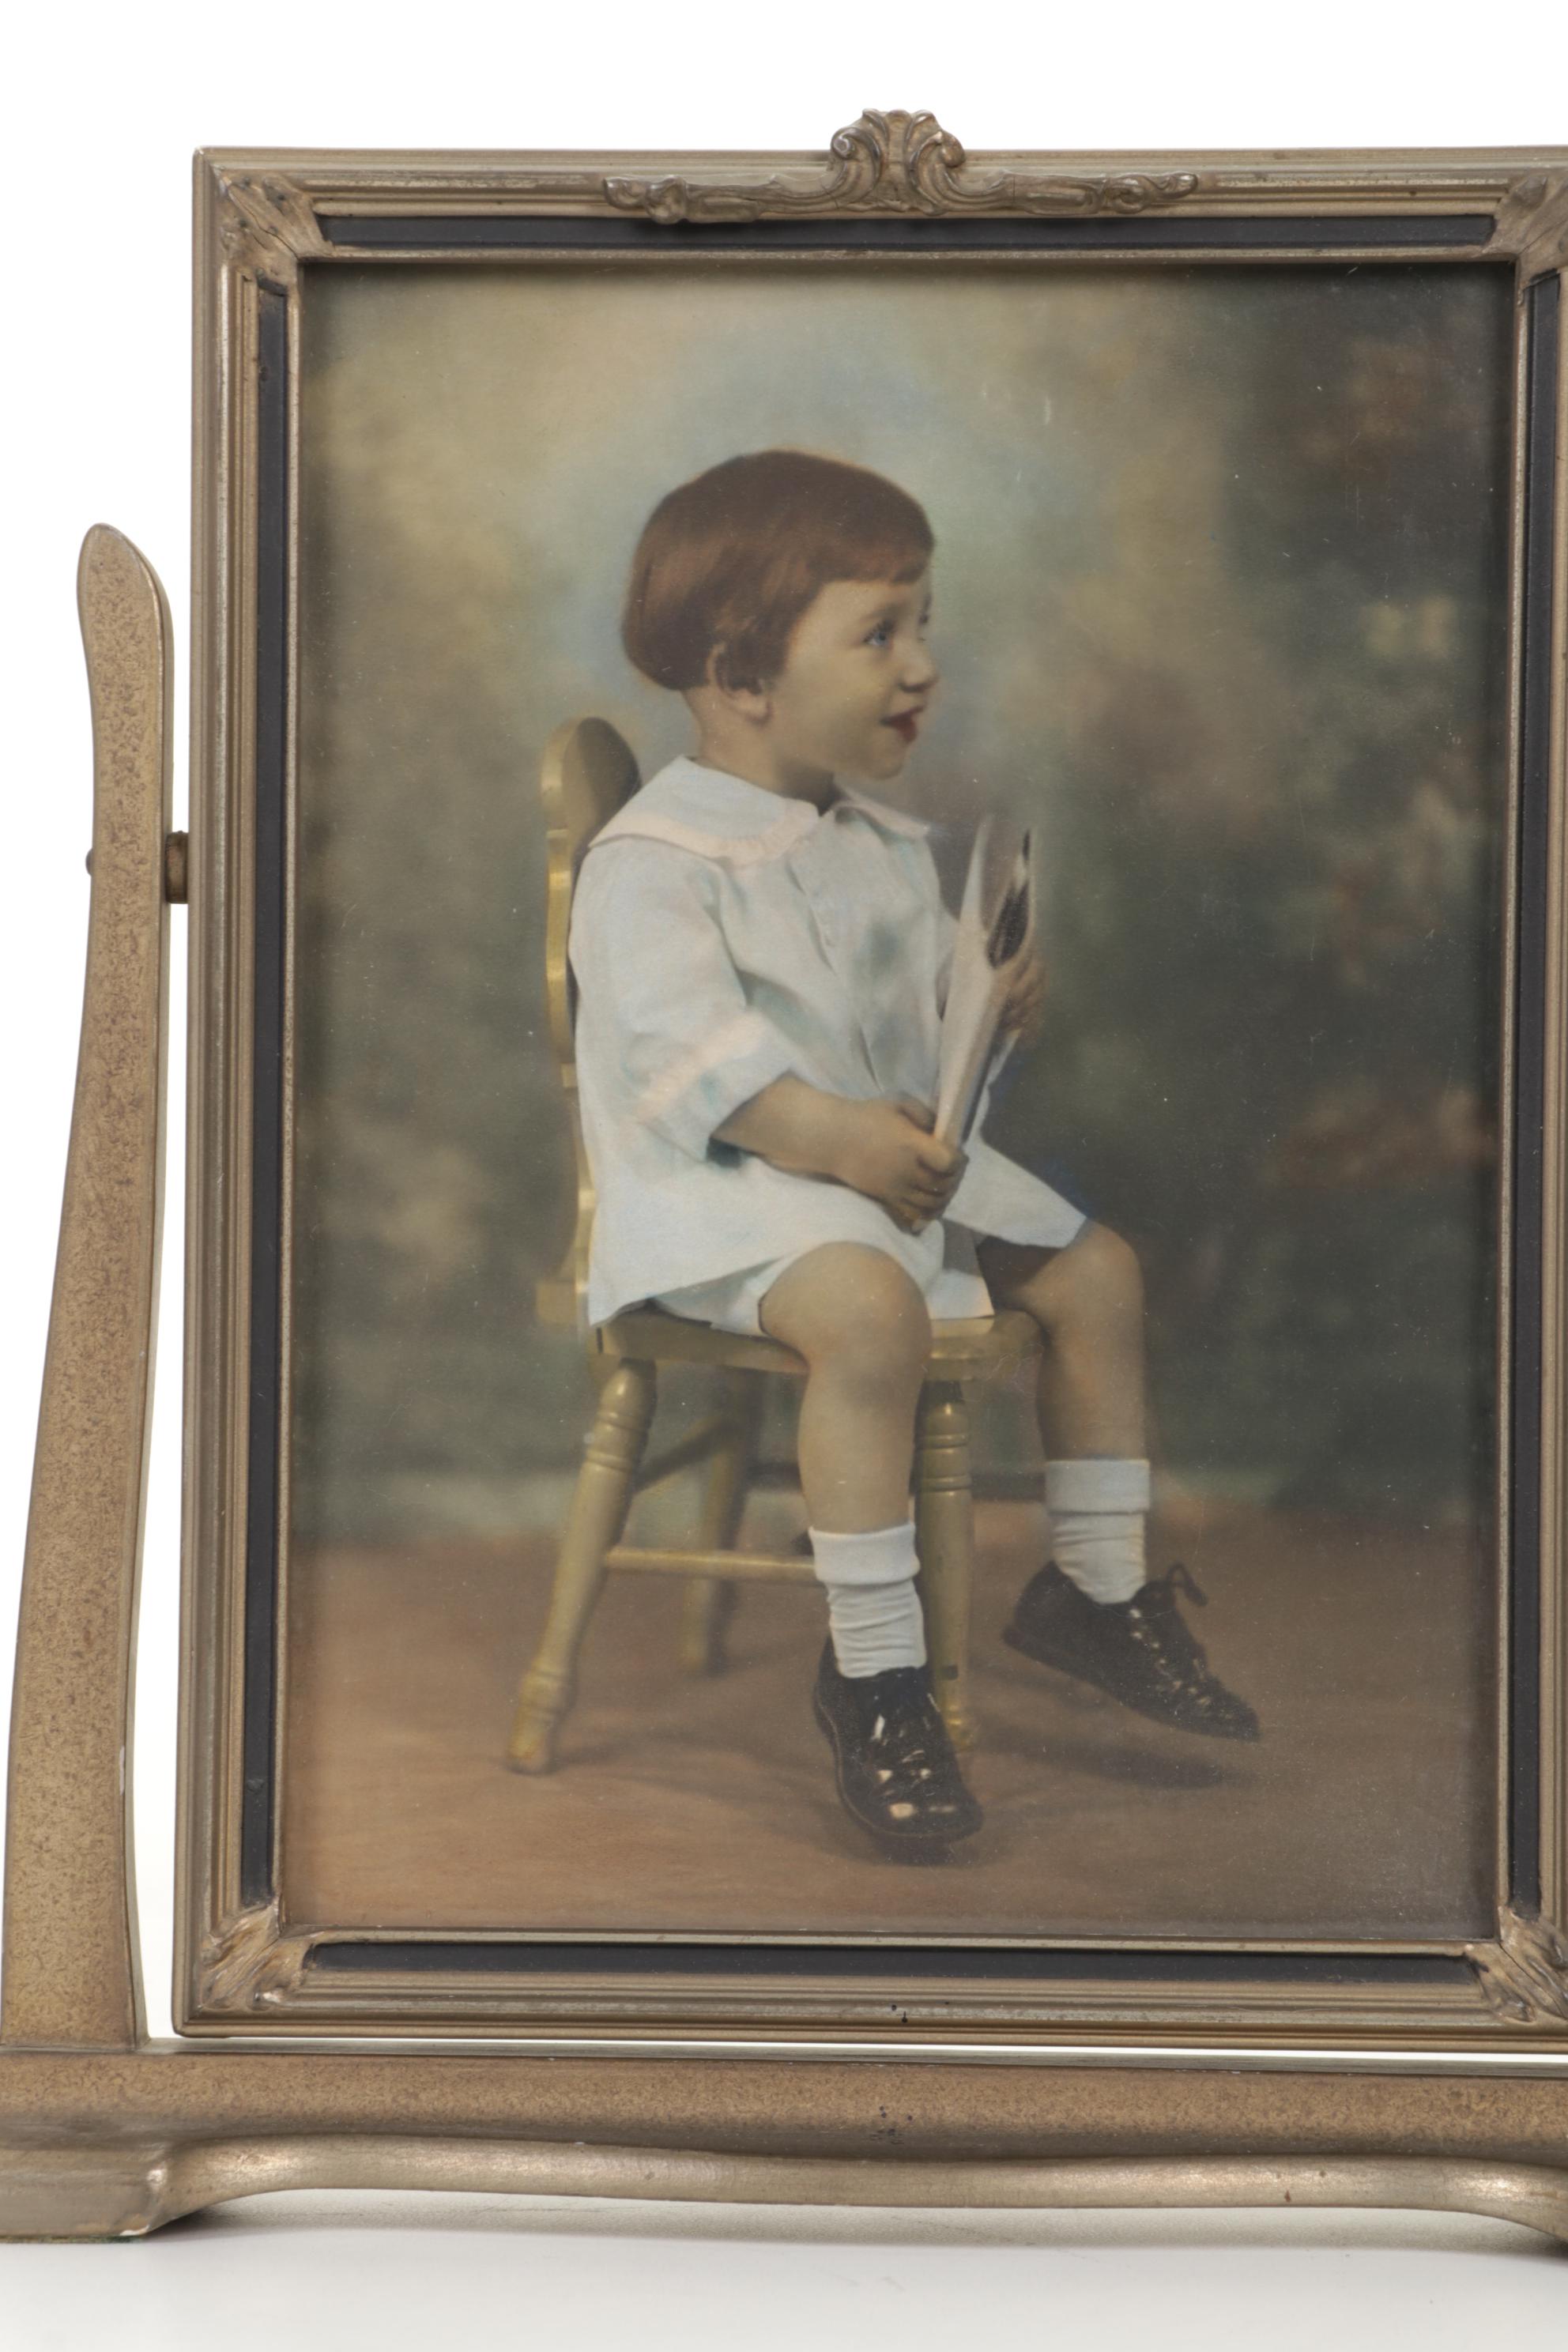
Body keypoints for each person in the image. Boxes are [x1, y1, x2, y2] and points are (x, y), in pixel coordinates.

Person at [568, 449, 1258, 1861]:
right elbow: (697, 1067)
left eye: (922, 625)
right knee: (871, 1313)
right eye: (880, 633)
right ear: (742, 674)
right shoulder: (655, 864)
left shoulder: (869, 834)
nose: (921, 665)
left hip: (870, 1163)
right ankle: (878, 1675)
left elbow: (898, 1045)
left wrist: (979, 1011)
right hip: (729, 1196)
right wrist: (836, 1140)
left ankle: (1098, 1589)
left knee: (1096, 1270)